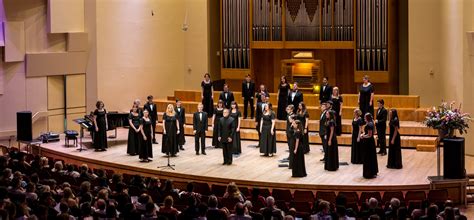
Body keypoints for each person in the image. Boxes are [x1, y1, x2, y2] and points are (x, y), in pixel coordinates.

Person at [360, 113, 378, 179]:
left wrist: (362, 136)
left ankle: (369, 173)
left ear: (367, 117)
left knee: (368, 157)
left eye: (365, 117)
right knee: (370, 157)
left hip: (369, 143)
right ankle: (372, 171)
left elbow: (370, 135)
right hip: (369, 142)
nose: (364, 118)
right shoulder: (370, 123)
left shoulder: (370, 124)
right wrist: (364, 134)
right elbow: (369, 132)